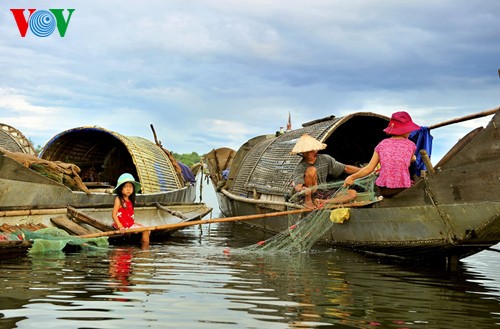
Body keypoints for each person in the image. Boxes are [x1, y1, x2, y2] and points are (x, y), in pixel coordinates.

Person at [343, 111, 420, 198]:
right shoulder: (411, 145)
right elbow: (409, 161)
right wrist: (413, 158)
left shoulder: (382, 144)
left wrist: (352, 177)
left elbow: (369, 169)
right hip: (401, 188)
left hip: (384, 190)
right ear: (406, 130)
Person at [291, 134, 361, 209]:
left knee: (352, 193)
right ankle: (309, 201)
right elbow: (298, 186)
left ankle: (322, 201)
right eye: (305, 151)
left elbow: (346, 168)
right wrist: (303, 189)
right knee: (311, 170)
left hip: (324, 192)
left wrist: (366, 170)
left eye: (311, 150)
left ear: (316, 150)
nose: (308, 153)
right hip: (310, 194)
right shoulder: (300, 167)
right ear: (302, 152)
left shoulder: (325, 159)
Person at [112, 173, 151, 248]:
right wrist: (120, 226)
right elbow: (114, 214)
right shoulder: (119, 199)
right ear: (120, 189)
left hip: (129, 224)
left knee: (146, 228)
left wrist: (135, 223)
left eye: (130, 187)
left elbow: (128, 215)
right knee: (146, 230)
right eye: (126, 187)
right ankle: (145, 248)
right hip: (122, 225)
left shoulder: (130, 200)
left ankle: (141, 244)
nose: (128, 189)